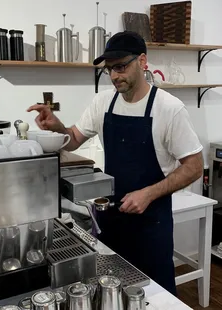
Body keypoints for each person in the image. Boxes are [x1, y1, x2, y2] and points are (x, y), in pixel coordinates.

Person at [27, 31, 203, 296]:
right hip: (109, 219)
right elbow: (74, 138)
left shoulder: (169, 108)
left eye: (121, 66)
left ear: (142, 61)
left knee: (155, 296)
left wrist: (148, 193)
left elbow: (194, 166)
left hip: (150, 225)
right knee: (110, 291)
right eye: (109, 69)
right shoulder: (103, 102)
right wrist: (57, 127)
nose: (115, 75)